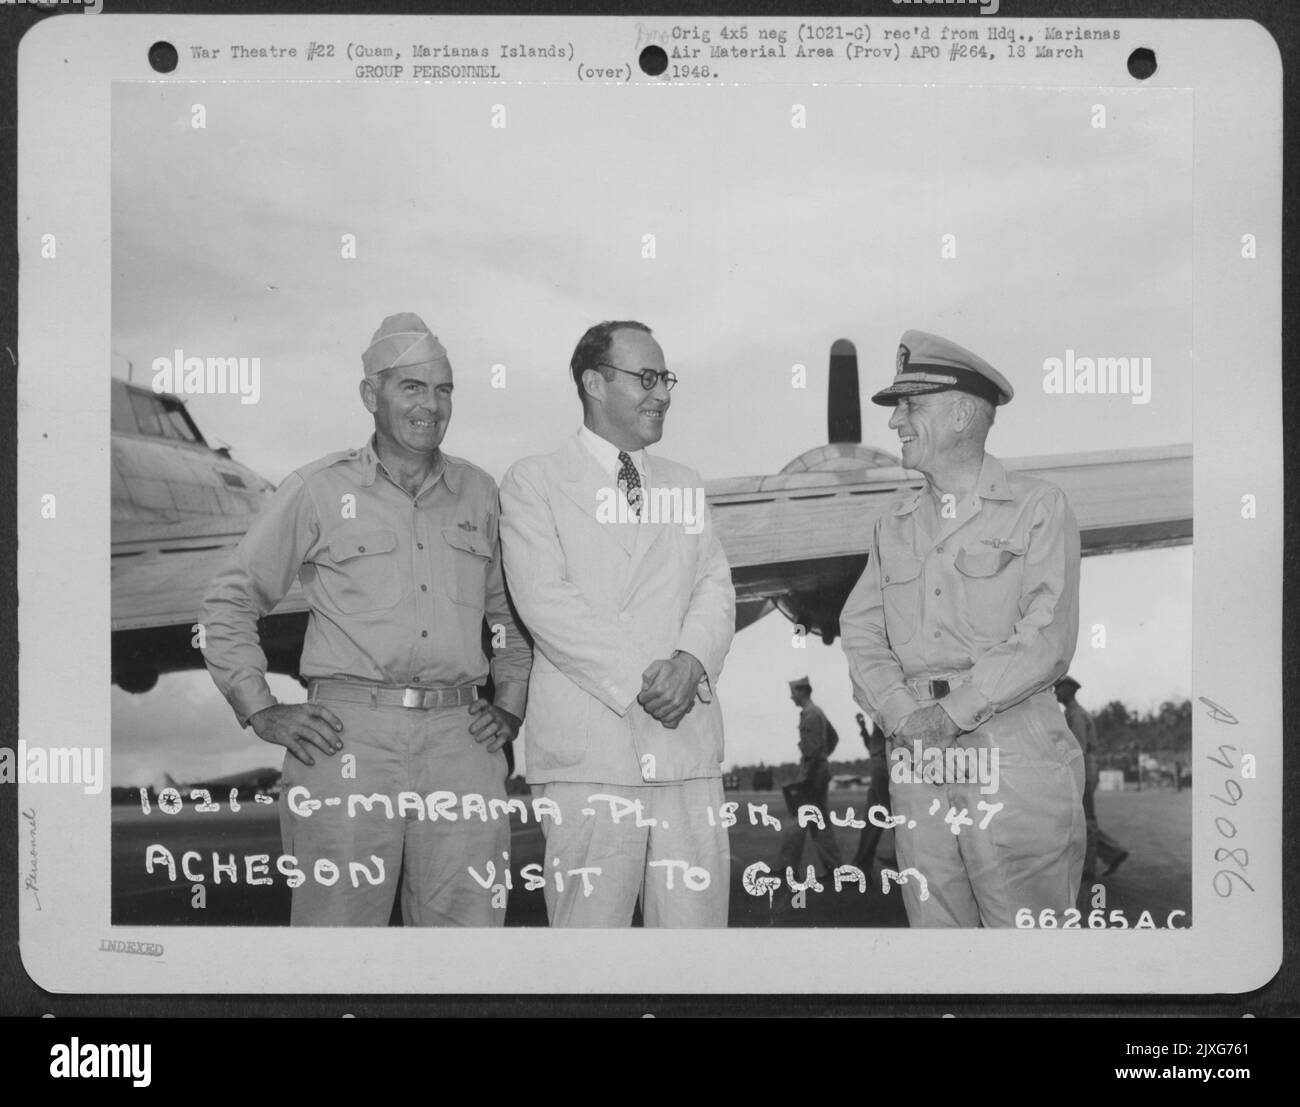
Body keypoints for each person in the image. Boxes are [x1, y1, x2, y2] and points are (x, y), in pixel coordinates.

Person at [200, 312, 532, 926]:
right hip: (346, 743)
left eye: (443, 389)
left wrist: (509, 703)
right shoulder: (318, 490)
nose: (430, 405)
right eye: (411, 387)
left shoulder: (479, 494)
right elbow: (230, 600)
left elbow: (508, 616)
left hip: (461, 743)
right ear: (370, 395)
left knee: (467, 942)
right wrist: (261, 708)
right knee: (337, 940)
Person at [839, 329, 1085, 928]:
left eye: (910, 406)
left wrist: (949, 716)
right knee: (938, 942)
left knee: (1027, 949)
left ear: (959, 415)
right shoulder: (891, 525)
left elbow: (1047, 635)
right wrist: (905, 719)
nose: (895, 422)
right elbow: (861, 631)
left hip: (1011, 742)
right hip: (918, 752)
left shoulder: (1038, 508)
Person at [499, 320, 736, 928]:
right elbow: (545, 604)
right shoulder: (534, 482)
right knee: (589, 962)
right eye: (647, 378)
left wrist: (691, 664)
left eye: (666, 379)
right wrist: (649, 683)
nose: (663, 393)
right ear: (594, 383)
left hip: (686, 749)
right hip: (590, 761)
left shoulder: (685, 484)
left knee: (696, 963)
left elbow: (714, 587)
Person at [1055, 675, 1128, 881]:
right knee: (1081, 818)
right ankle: (1112, 852)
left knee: (1086, 819)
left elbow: (1078, 747)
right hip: (1086, 767)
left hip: (1084, 768)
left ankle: (1089, 869)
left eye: (1059, 688)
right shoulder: (1073, 713)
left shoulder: (1075, 715)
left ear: (1068, 690)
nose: (1056, 692)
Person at [778, 678, 844, 879]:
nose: (791, 697)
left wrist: (804, 777)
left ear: (802, 691)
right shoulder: (817, 712)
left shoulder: (811, 714)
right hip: (819, 770)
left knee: (798, 820)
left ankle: (787, 870)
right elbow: (833, 738)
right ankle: (835, 870)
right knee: (819, 822)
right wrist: (824, 757)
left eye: (793, 692)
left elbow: (813, 749)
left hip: (812, 773)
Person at [851, 711, 893, 875]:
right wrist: (862, 729)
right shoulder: (879, 712)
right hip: (881, 765)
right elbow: (872, 747)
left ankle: (863, 865)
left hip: (883, 766)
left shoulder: (883, 708)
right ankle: (863, 865)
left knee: (875, 818)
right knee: (877, 817)